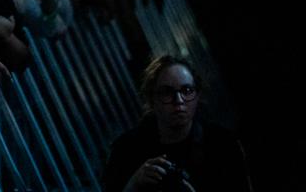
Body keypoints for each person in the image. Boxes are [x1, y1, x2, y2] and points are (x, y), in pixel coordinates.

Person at [103, 55, 251, 192]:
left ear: (197, 95)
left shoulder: (223, 144)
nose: (179, 101)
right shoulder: (125, 150)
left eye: (187, 90)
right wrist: (132, 185)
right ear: (151, 99)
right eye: (167, 92)